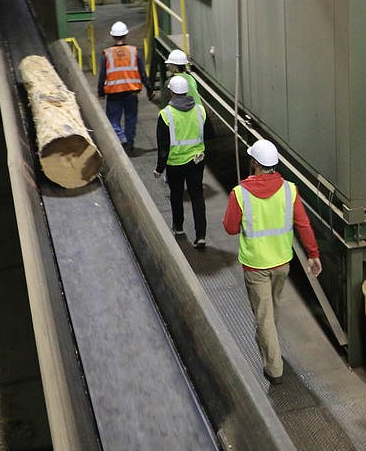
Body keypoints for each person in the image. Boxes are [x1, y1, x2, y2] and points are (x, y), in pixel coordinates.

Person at [223, 139, 322, 385]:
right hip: (281, 264)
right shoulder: (290, 190)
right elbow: (303, 224)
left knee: (263, 316)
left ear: (255, 163)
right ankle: (271, 343)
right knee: (272, 308)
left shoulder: (240, 193)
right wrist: (313, 254)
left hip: (256, 265)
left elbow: (230, 228)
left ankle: (274, 369)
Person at [154, 75, 210, 247]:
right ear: (186, 92)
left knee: (176, 195)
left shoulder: (165, 115)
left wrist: (159, 168)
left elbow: (163, 146)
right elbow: (208, 135)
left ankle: (178, 227)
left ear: (171, 92)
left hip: (175, 164)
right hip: (196, 162)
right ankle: (200, 235)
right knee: (197, 197)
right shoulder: (200, 110)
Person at [97, 21, 152, 150]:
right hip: (131, 93)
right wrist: (150, 89)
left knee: (113, 119)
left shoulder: (107, 54)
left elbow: (102, 76)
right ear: (126, 35)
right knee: (131, 118)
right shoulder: (134, 52)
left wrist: (100, 92)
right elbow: (143, 73)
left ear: (113, 36)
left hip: (114, 93)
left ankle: (121, 137)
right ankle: (130, 143)